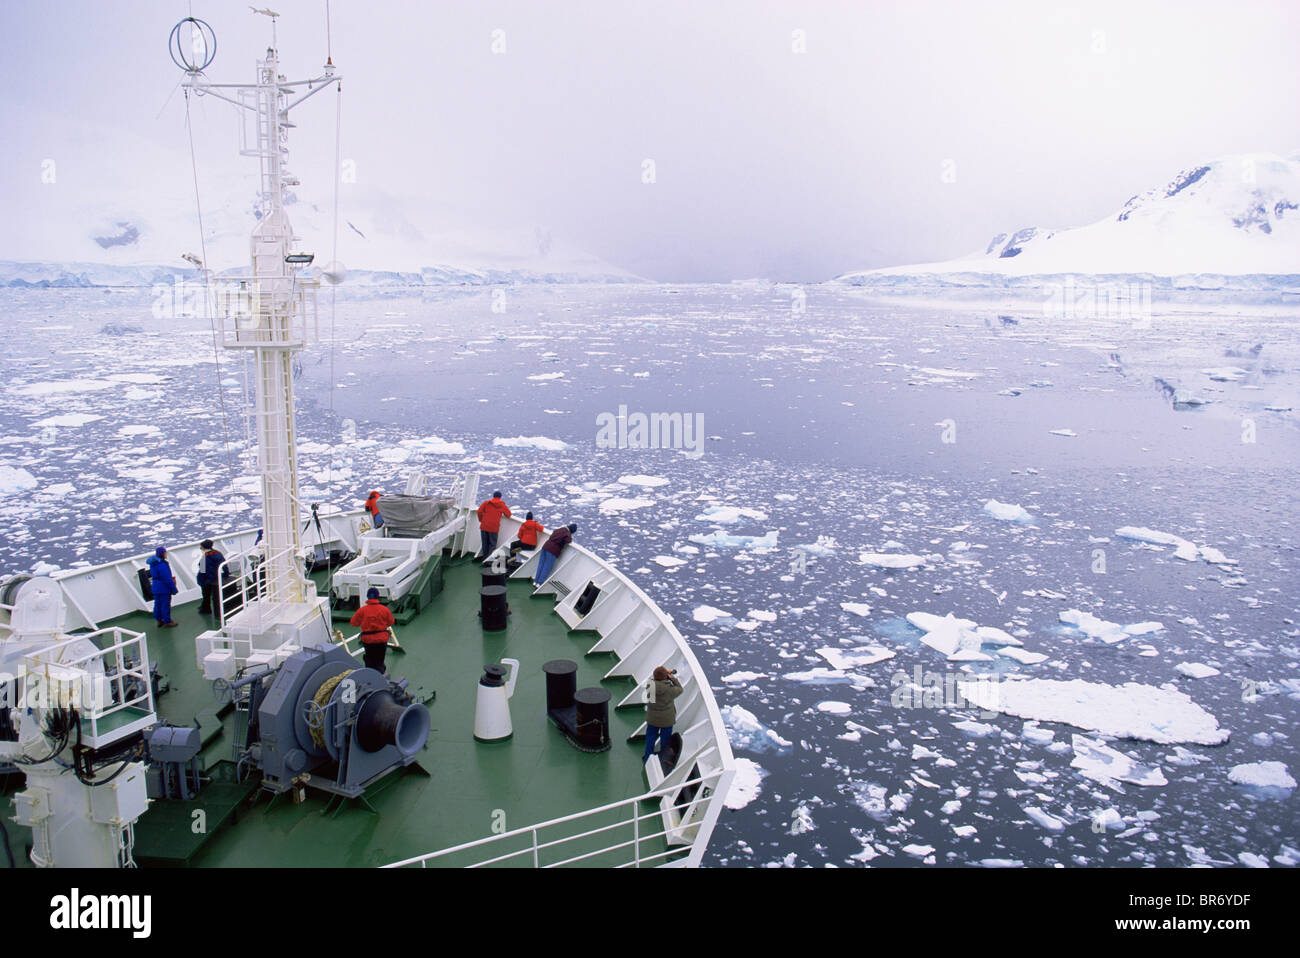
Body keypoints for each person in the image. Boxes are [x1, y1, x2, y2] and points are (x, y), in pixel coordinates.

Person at [350, 587, 395, 674]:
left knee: (370, 661)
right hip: (381, 640)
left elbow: (353, 623)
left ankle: (370, 676)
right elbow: (391, 622)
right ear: (378, 597)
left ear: (368, 597)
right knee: (379, 660)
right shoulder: (384, 609)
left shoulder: (362, 610)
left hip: (368, 640)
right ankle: (381, 676)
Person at [643, 666, 682, 764]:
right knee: (665, 741)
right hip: (666, 720)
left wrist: (662, 675)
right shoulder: (670, 690)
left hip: (652, 719)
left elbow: (654, 679)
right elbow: (680, 689)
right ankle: (662, 759)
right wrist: (672, 678)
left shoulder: (650, 686)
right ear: (665, 677)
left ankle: (647, 758)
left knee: (650, 738)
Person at [146, 546, 179, 628]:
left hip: (156, 587)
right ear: (163, 554)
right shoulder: (162, 565)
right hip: (163, 587)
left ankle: (159, 620)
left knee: (157, 604)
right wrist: (173, 589)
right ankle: (167, 621)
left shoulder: (153, 563)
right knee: (165, 604)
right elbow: (167, 578)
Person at [476, 490, 511, 561]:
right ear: (500, 497)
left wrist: (481, 519)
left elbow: (479, 511)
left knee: (485, 543)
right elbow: (509, 515)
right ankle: (488, 560)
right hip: (493, 528)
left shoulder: (486, 503)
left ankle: (484, 558)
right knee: (492, 544)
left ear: (493, 496)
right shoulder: (502, 505)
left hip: (484, 526)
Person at [196, 539, 225, 616]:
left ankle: (206, 609)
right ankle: (204, 606)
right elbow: (224, 564)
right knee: (214, 595)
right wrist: (226, 573)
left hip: (206, 580)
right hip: (215, 578)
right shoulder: (218, 554)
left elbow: (202, 570)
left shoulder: (205, 558)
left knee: (206, 595)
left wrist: (202, 581)